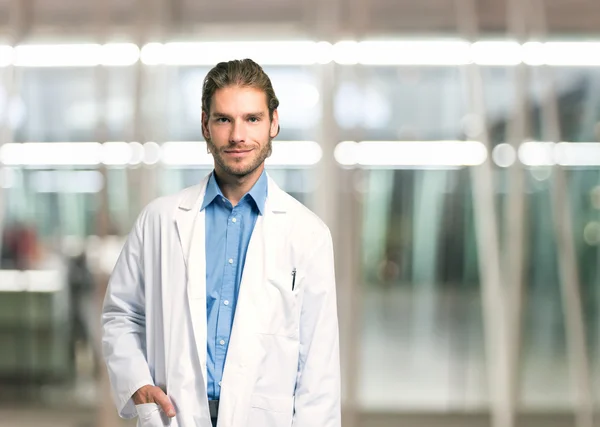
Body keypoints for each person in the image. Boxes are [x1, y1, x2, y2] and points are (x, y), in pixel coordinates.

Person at [101, 59, 341, 427]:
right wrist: (137, 383)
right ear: (205, 125)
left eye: (252, 119)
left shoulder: (308, 234)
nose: (237, 136)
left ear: (274, 122)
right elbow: (121, 314)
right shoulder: (160, 220)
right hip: (175, 416)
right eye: (224, 119)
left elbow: (319, 367)